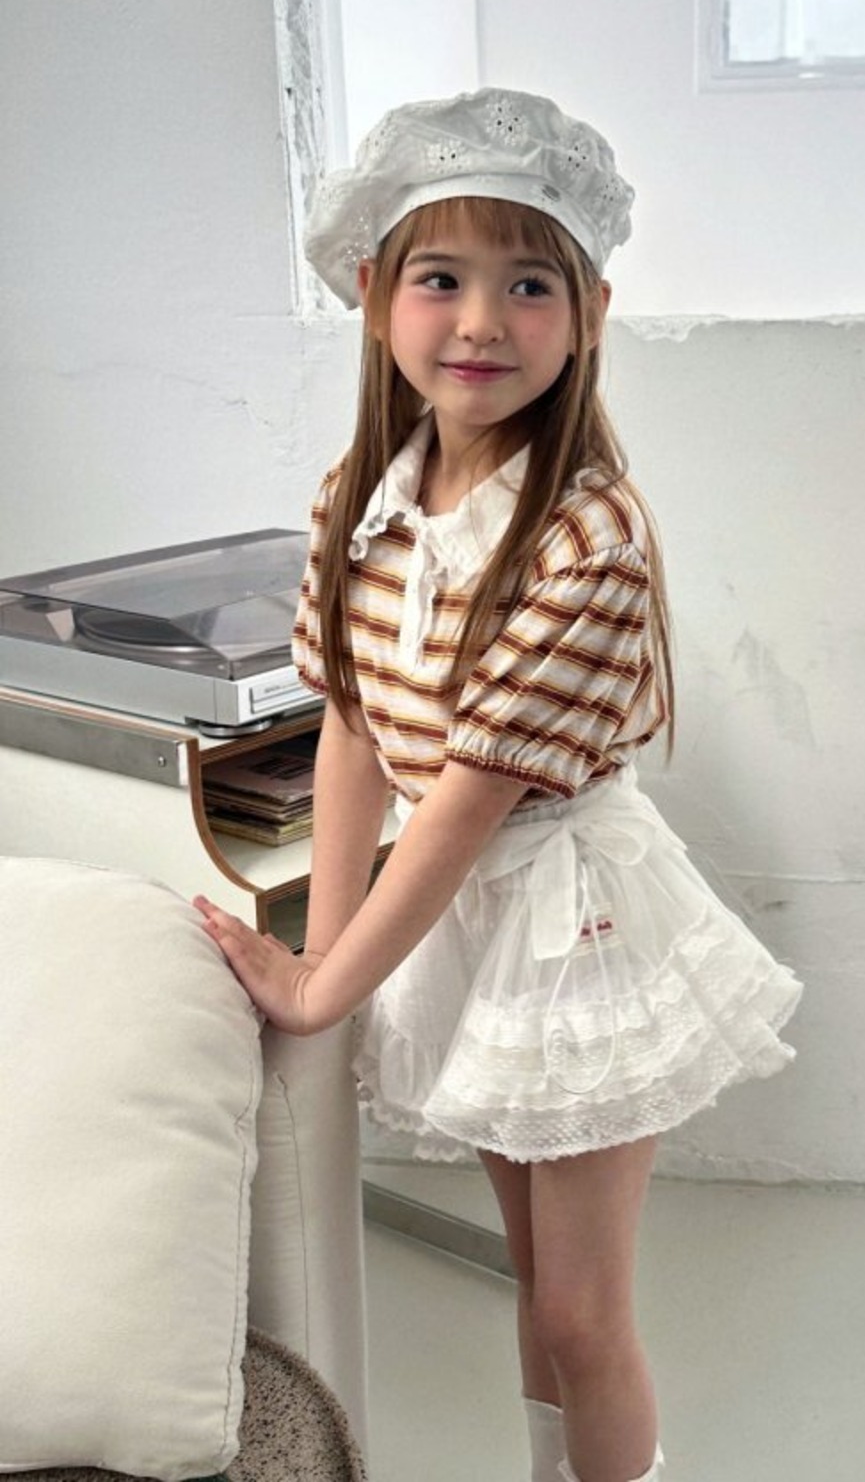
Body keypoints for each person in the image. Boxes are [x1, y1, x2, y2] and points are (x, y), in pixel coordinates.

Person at [196, 87, 802, 1482]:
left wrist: (321, 992)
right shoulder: (364, 495)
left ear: (589, 313)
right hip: (464, 916)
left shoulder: (590, 537)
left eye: (529, 284)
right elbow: (353, 728)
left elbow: (469, 799)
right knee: (536, 1294)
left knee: (583, 1314)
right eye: (442, 279)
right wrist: (323, 952)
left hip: (572, 926)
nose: (480, 321)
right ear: (374, 297)